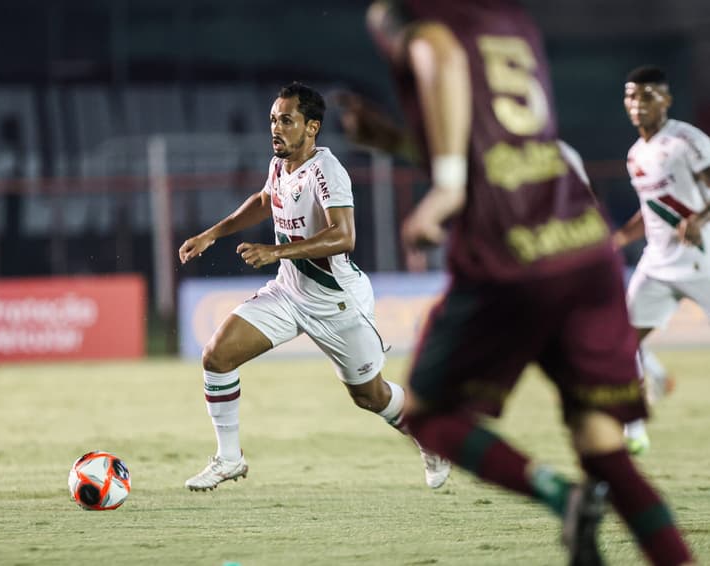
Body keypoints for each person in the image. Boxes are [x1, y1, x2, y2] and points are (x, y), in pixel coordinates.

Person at [359, 1, 695, 565]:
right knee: (603, 447)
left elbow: (434, 51)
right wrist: (397, 142)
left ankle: (559, 496)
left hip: (509, 254)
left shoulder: (426, 22)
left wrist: (441, 191)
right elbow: (494, 143)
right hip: (581, 247)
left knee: (429, 415)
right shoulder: (513, 22)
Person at [178, 82, 451, 492]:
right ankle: (229, 458)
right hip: (288, 294)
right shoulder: (279, 164)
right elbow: (264, 200)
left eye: (286, 120)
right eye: (273, 119)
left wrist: (276, 252)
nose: (276, 128)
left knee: (370, 397)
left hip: (337, 304)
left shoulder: (327, 171)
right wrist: (211, 234)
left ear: (312, 128)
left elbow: (344, 236)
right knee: (216, 356)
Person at [613, 65, 710, 456]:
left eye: (648, 95)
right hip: (656, 263)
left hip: (701, 259)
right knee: (621, 342)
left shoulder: (686, 139)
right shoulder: (635, 155)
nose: (639, 104)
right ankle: (634, 428)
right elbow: (649, 211)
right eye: (632, 96)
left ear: (666, 100)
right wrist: (617, 239)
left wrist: (698, 219)